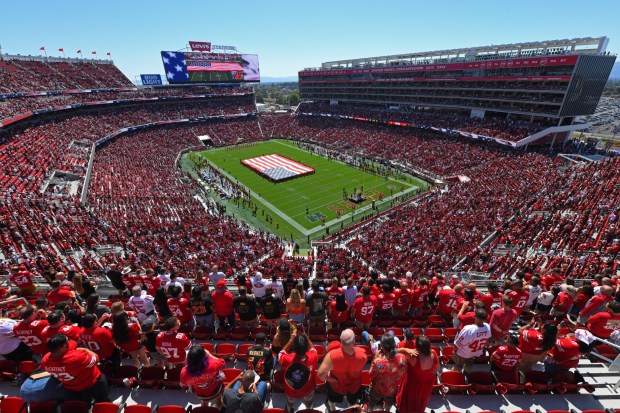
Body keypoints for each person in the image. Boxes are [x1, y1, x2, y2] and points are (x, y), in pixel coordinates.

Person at [41, 333, 110, 403]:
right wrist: (85, 349)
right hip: (91, 383)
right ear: (63, 347)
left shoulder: (45, 360)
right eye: (67, 341)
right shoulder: (76, 357)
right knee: (103, 400)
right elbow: (96, 359)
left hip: (70, 387)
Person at [317, 329, 367, 412]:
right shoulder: (363, 354)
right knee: (352, 401)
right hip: (354, 386)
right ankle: (350, 409)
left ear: (341, 341)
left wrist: (331, 379)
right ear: (354, 341)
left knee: (332, 400)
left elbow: (320, 375)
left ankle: (332, 409)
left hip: (336, 386)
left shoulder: (331, 356)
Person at [396, 335, 439, 413]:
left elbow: (395, 351)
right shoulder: (434, 353)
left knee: (406, 406)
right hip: (425, 387)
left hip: (412, 386)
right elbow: (438, 368)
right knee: (419, 405)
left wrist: (406, 349)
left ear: (417, 348)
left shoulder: (412, 357)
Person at [279, 330, 318, 412]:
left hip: (291, 390)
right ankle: (309, 410)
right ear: (307, 347)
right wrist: (306, 336)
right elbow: (313, 349)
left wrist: (291, 340)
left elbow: (281, 353)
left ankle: (289, 411)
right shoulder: (313, 356)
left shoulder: (287, 358)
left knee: (290, 402)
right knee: (309, 401)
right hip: (308, 389)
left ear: (294, 347)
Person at [368, 334, 407, 412]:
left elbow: (371, 375)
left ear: (382, 347)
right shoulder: (402, 358)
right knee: (389, 403)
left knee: (372, 402)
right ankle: (387, 410)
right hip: (392, 389)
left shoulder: (378, 361)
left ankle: (371, 410)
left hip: (377, 389)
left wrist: (375, 358)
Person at [453, 309, 491, 373]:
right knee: (469, 365)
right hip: (474, 353)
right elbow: (488, 339)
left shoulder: (469, 329)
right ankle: (468, 375)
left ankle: (456, 376)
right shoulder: (487, 327)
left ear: (475, 317)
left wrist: (454, 350)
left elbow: (458, 344)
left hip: (462, 353)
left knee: (458, 365)